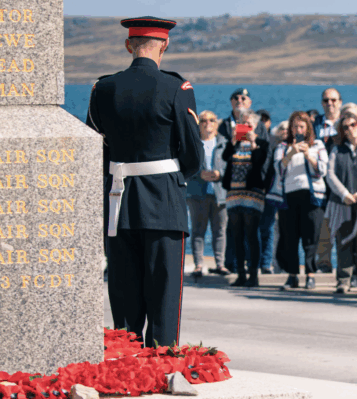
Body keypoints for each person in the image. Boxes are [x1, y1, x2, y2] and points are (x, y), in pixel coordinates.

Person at [86, 16, 203, 347]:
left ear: (128, 46)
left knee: (124, 296)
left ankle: (126, 366)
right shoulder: (176, 88)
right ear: (165, 44)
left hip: (118, 204)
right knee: (164, 297)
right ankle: (162, 364)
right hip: (163, 202)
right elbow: (193, 155)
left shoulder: (102, 89)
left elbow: (95, 149)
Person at [273, 111, 329, 290]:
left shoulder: (317, 144)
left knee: (311, 236)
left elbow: (323, 170)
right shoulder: (283, 146)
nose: (298, 129)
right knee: (289, 237)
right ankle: (292, 275)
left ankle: (310, 274)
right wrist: (291, 153)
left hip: (312, 197)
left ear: (308, 128)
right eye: (295, 126)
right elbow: (278, 169)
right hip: (289, 196)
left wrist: (309, 156)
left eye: (302, 126)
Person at [325, 112, 357, 293]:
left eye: (353, 125)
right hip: (343, 203)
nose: (350, 129)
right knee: (343, 241)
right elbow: (330, 174)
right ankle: (344, 280)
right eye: (345, 127)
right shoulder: (337, 150)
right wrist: (344, 194)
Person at [221, 109, 270, 288]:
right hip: (234, 193)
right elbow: (225, 157)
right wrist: (234, 141)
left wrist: (253, 142)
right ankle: (240, 273)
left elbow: (260, 162)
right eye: (243, 125)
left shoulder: (262, 143)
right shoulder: (234, 143)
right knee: (237, 234)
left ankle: (253, 275)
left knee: (251, 234)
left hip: (253, 194)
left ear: (256, 126)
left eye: (249, 125)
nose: (246, 128)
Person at [187, 110, 229, 277]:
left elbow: (231, 165)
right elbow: (186, 166)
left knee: (220, 231)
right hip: (198, 193)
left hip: (219, 192)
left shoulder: (224, 143)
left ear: (216, 123)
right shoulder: (193, 143)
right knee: (198, 231)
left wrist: (221, 174)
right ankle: (198, 265)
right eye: (203, 120)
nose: (207, 123)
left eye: (211, 120)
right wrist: (199, 174)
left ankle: (220, 264)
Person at [312, 88, 343, 273]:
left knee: (342, 223)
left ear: (340, 102)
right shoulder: (314, 124)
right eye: (325, 100)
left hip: (341, 178)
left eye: (333, 100)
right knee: (322, 222)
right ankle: (323, 261)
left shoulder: (347, 124)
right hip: (319, 180)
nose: (329, 103)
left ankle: (345, 265)